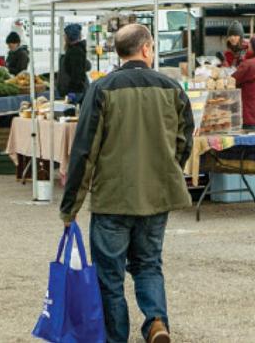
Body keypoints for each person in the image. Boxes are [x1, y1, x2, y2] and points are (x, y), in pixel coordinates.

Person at [59, 23, 193, 343]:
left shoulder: (102, 88)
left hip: (112, 197)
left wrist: (70, 208)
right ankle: (156, 321)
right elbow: (184, 141)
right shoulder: (171, 88)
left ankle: (116, 336)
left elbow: (84, 150)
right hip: (156, 194)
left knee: (110, 276)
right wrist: (167, 171)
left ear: (119, 53)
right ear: (146, 49)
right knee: (148, 264)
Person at [58, 23, 90, 102]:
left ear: (69, 36)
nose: (64, 37)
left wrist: (72, 92)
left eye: (65, 35)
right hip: (75, 90)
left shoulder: (75, 52)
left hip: (75, 92)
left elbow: (77, 74)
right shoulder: (74, 50)